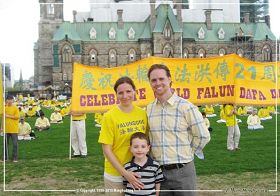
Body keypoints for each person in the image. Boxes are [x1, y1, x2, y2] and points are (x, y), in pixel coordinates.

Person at [146, 64, 210, 196]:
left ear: (169, 79)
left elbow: (203, 136)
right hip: (159, 174)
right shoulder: (148, 110)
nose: (158, 83)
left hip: (183, 171)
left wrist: (187, 152)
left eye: (161, 78)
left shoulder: (186, 107)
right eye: (153, 80)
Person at [98, 76, 148, 195]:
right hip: (115, 175)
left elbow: (146, 143)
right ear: (116, 95)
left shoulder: (142, 114)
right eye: (120, 93)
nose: (125, 96)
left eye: (128, 91)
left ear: (135, 91)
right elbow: (106, 149)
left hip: (138, 172)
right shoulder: (109, 116)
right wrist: (125, 173)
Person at [3, 95, 20, 162]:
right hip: (6, 129)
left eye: (11, 99)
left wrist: (8, 116)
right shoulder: (5, 108)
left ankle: (15, 158)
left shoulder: (15, 108)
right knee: (5, 144)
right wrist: (1, 127)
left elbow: (17, 117)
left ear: (13, 100)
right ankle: (5, 158)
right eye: (8, 99)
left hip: (14, 129)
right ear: (6, 100)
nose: (9, 101)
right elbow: (3, 119)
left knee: (15, 144)